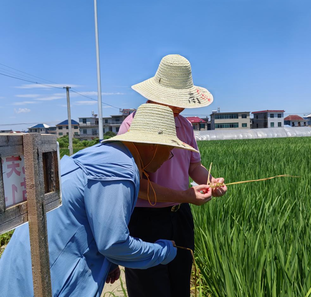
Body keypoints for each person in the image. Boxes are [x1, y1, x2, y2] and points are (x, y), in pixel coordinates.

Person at [0, 103, 211, 297]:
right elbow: (114, 244)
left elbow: (92, 218)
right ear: (153, 146)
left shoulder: (107, 156)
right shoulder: (121, 171)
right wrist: (164, 251)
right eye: (169, 151)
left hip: (29, 267)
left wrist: (109, 263)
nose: (168, 158)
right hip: (47, 277)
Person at [118, 54, 228, 297]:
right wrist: (185, 195)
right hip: (145, 219)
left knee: (180, 285)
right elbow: (139, 186)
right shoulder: (132, 126)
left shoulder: (184, 125)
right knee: (149, 288)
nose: (182, 106)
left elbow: (193, 167)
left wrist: (210, 181)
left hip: (179, 217)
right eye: (176, 100)